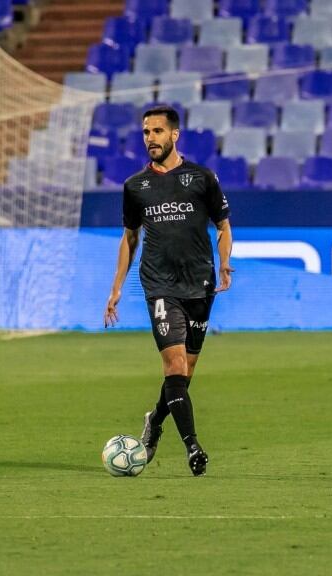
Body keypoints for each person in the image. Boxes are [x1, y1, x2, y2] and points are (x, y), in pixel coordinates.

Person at [103, 105, 233, 477]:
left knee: (184, 374)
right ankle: (193, 447)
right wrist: (115, 288)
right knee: (174, 365)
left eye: (157, 131)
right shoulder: (135, 186)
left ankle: (155, 419)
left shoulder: (202, 178)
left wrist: (224, 262)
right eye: (146, 132)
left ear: (174, 135)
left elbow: (223, 226)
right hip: (159, 285)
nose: (150, 138)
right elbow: (130, 238)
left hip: (200, 283)